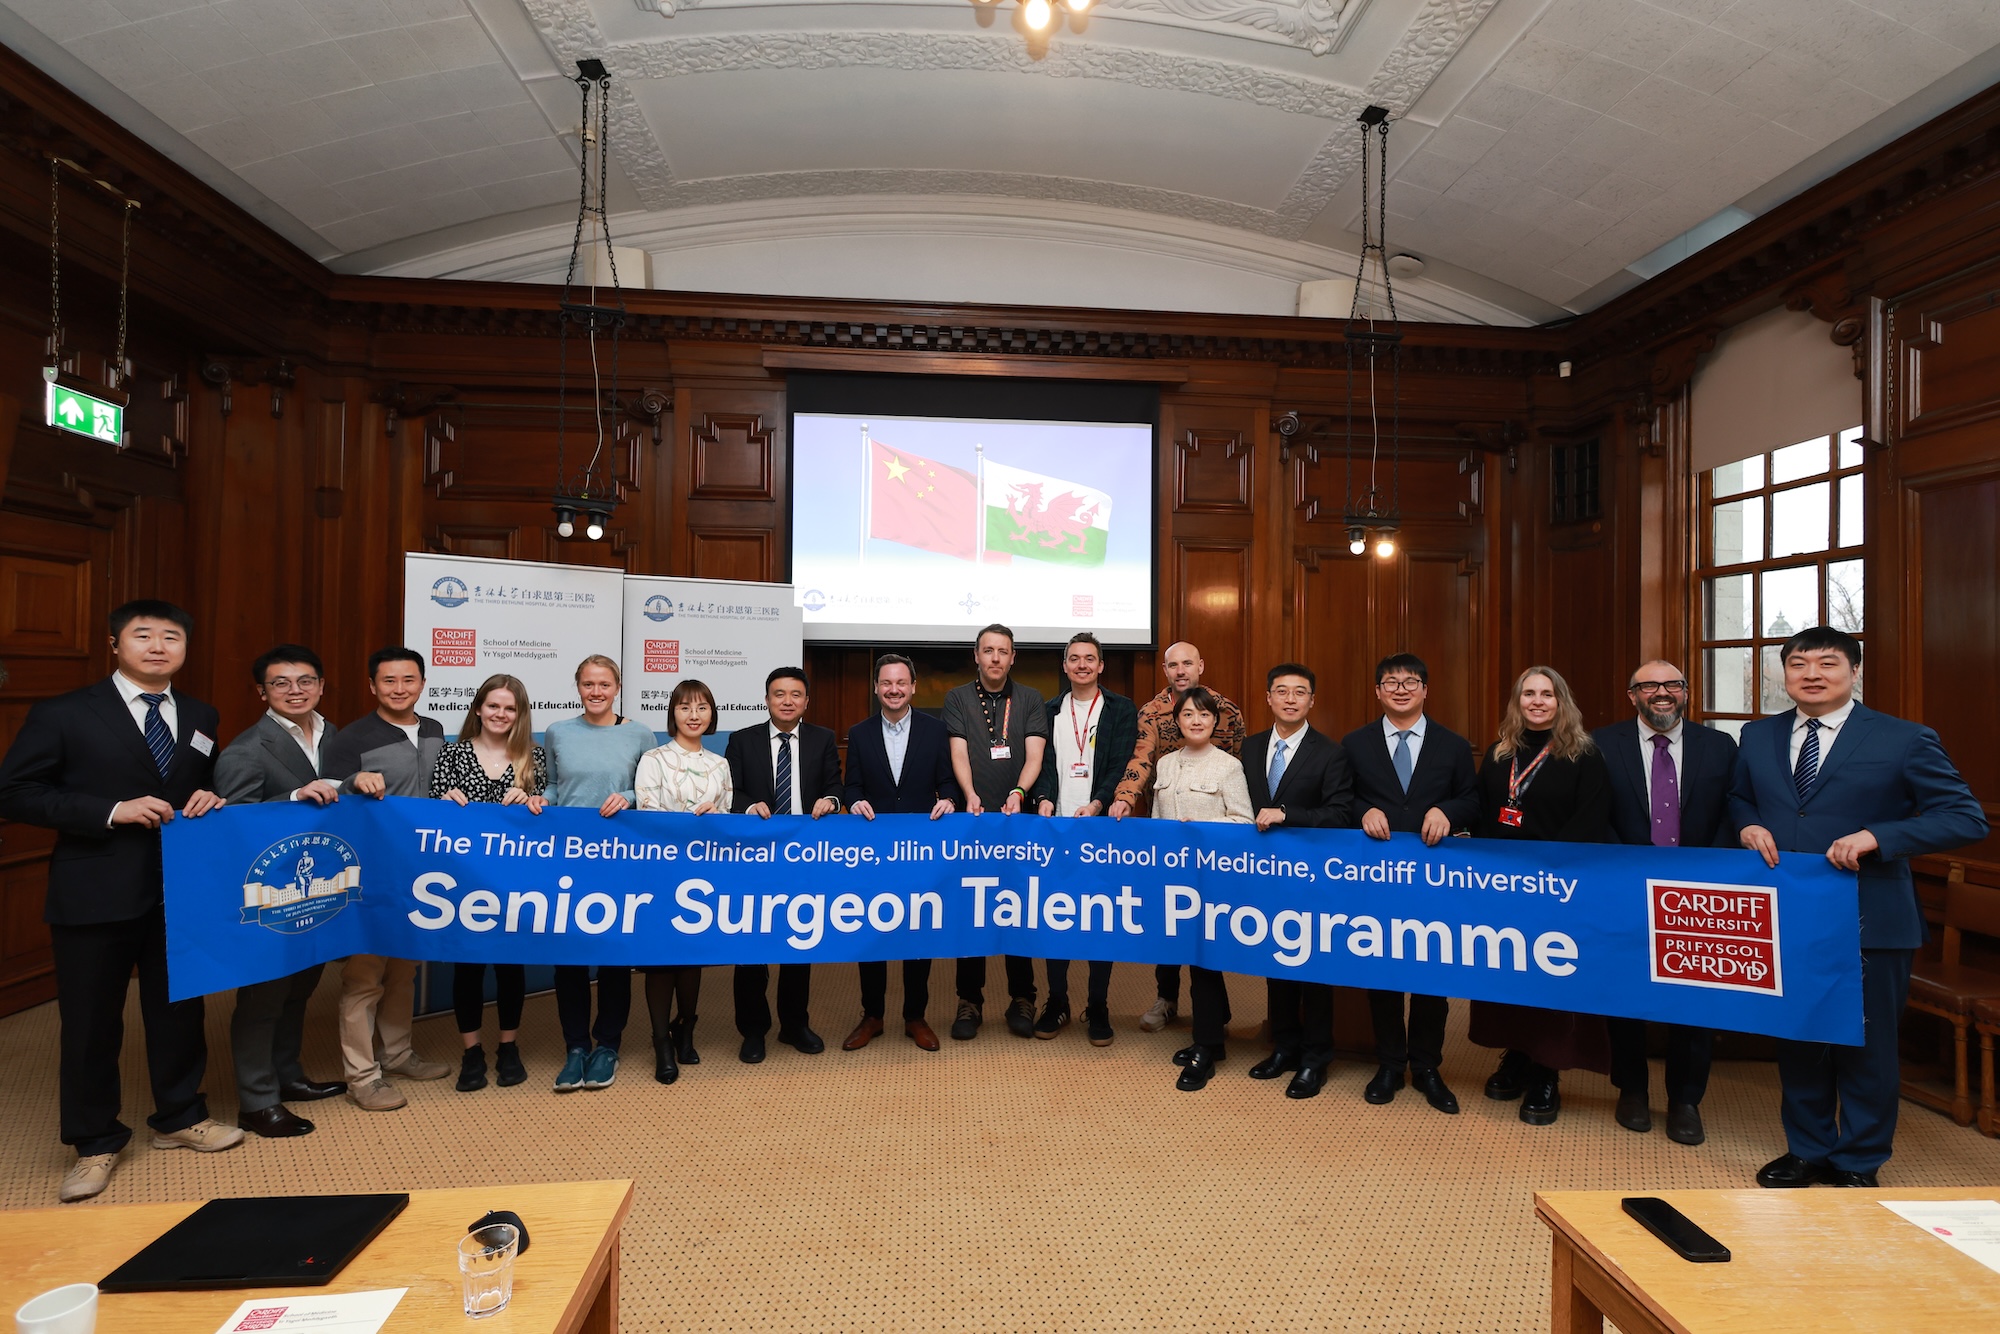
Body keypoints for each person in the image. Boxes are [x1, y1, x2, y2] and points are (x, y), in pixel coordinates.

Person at [0, 599, 241, 1203]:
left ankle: (181, 1117)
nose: (158, 646)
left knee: (180, 1010)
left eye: (171, 637)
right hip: (94, 888)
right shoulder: (65, 713)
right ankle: (94, 1142)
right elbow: (16, 792)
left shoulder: (202, 713)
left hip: (178, 889)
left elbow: (191, 785)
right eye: (143, 636)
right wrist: (110, 811)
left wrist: (208, 796)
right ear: (115, 645)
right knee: (89, 1023)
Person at [1732, 627, 1987, 1189]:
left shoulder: (1904, 738)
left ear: (1854, 672)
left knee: (1867, 1045)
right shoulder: (1756, 737)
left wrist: (1878, 835)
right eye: (1798, 664)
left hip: (1872, 917)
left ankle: (1859, 1160)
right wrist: (1747, 824)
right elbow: (1740, 796)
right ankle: (1807, 1150)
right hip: (1788, 916)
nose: (1812, 674)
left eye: (1828, 663)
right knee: (1800, 1037)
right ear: (1784, 673)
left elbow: (1966, 817)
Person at [1593, 659, 1739, 1146]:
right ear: (1631, 694)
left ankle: (1685, 1099)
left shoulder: (1719, 746)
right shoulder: (1599, 745)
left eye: (1671, 684)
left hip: (1698, 895)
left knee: (1693, 1000)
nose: (1662, 692)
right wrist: (1624, 869)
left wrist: (1708, 870)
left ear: (1685, 692)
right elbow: (1595, 815)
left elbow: (1731, 812)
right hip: (1623, 888)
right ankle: (1631, 1088)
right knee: (1625, 993)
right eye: (1649, 685)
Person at [212, 644, 350, 1138]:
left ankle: (288, 1076)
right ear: (262, 691)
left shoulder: (335, 735)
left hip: (318, 892)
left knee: (299, 990)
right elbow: (234, 826)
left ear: (321, 685)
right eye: (281, 683)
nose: (296, 691)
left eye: (305, 681)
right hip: (271, 896)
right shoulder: (246, 749)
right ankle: (257, 1100)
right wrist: (292, 797)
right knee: (263, 998)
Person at [1468, 665, 1613, 1126]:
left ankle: (1547, 1071)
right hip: (1505, 891)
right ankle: (1516, 1055)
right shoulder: (1498, 753)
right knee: (1509, 976)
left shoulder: (1584, 754)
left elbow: (1591, 822)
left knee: (1550, 981)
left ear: (1560, 701)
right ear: (1517, 702)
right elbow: (1485, 815)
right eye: (1528, 694)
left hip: (1558, 890)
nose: (1537, 701)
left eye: (1546, 694)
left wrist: (1545, 872)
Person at [1341, 653, 1479, 1115]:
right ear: (1378, 692)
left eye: (1411, 682)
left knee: (1429, 976)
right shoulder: (1355, 743)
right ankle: (1388, 1063)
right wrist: (1363, 810)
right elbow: (1342, 797)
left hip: (1433, 878)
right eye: (1391, 682)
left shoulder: (1454, 745)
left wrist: (1448, 812)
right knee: (1381, 973)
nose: (1401, 689)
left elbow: (1471, 798)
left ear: (1425, 690)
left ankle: (1426, 1067)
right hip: (1375, 876)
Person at [320, 647, 454, 1111]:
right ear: (372, 686)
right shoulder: (350, 738)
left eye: (409, 680)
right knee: (364, 976)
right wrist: (352, 780)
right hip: (371, 870)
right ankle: (362, 1077)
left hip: (422, 871)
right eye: (389, 681)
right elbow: (323, 796)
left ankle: (397, 1055)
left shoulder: (435, 730)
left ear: (422, 683)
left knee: (404, 970)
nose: (400, 689)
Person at [1109, 641, 1245, 1033]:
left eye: (1188, 663)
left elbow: (1239, 762)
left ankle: (1215, 1010)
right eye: (1173, 665)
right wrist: (1123, 797)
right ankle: (1166, 998)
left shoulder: (1228, 711)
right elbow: (1141, 759)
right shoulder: (1152, 712)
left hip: (1215, 841)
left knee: (1212, 929)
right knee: (1167, 923)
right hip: (1168, 827)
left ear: (1200, 665)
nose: (1181, 670)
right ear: (1165, 670)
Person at [430, 673, 548, 1093]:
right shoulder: (452, 755)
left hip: (514, 882)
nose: (501, 714)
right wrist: (443, 804)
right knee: (469, 967)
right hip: (464, 882)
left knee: (510, 965)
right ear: (478, 708)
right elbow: (430, 819)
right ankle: (472, 1051)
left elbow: (546, 813)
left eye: (510, 708)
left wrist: (536, 801)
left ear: (520, 715)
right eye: (493, 705)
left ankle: (508, 1047)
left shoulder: (534, 757)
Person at [544, 655, 655, 1094]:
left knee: (613, 955)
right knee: (568, 958)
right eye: (588, 684)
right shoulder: (558, 732)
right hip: (568, 858)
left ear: (618, 686)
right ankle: (575, 1047)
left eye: (604, 684)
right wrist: (540, 801)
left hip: (620, 857)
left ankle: (607, 1044)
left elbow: (649, 788)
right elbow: (554, 787)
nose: (596, 691)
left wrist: (627, 795)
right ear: (578, 687)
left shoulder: (640, 733)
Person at [1240, 663, 1352, 1098]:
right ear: (1268, 698)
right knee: (1275, 966)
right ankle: (1284, 1047)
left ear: (1311, 701)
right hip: (1263, 878)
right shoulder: (1248, 749)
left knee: (1313, 970)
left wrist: (1289, 816)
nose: (1290, 699)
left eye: (1299, 692)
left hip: (1312, 877)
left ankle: (1315, 1058)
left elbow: (1341, 815)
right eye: (1281, 691)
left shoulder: (1330, 752)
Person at [842, 653, 960, 1052]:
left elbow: (948, 782)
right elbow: (851, 787)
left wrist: (949, 800)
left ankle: (915, 1016)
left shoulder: (935, 730)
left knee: (916, 935)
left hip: (919, 853)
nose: (894, 690)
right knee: (872, 934)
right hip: (873, 853)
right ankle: (872, 1015)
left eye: (901, 683)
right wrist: (854, 802)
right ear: (877, 688)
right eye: (886, 683)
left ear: (912, 687)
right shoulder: (858, 733)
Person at [725, 666, 842, 1063]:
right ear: (767, 699)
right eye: (779, 694)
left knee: (798, 941)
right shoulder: (742, 741)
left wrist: (833, 801)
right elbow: (731, 791)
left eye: (796, 694)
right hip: (754, 859)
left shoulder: (823, 739)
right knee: (751, 947)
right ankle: (754, 1029)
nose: (788, 701)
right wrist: (745, 805)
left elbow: (835, 786)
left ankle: (794, 1024)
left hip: (802, 859)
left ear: (806, 701)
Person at [942, 624, 1051, 1040]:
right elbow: (958, 752)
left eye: (1002, 651)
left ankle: (1023, 997)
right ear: (976, 655)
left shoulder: (1030, 699)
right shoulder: (956, 697)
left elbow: (1035, 753)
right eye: (987, 650)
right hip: (974, 821)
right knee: (972, 910)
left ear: (1012, 657)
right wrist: (969, 795)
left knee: (1017, 908)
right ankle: (969, 1001)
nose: (994, 658)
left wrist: (1019, 792)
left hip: (1015, 820)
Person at [1031, 632, 1139, 1046]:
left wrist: (1097, 802)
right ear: (1064, 666)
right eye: (1074, 659)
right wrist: (1042, 798)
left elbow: (1120, 762)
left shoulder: (1120, 709)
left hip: (1101, 829)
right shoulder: (1049, 710)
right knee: (1056, 917)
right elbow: (1040, 763)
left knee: (1099, 919)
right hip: (1056, 830)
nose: (1081, 665)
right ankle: (1057, 1000)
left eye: (1089, 659)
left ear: (1101, 666)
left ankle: (1098, 1005)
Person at [1151, 686, 1254, 1091]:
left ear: (1215, 722)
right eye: (1188, 714)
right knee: (1188, 956)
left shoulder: (1228, 767)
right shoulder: (1164, 765)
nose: (1196, 721)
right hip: (1174, 880)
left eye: (1204, 715)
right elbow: (1159, 821)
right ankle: (1216, 1031)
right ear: (1177, 721)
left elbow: (1244, 822)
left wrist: (1205, 830)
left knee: (1204, 960)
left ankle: (1206, 1047)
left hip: (1212, 881)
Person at [634, 677, 733, 1083]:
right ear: (672, 713)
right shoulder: (653, 758)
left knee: (692, 957)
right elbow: (646, 813)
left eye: (702, 707)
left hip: (703, 876)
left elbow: (728, 821)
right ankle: (661, 1041)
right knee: (662, 959)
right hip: (661, 872)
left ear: (712, 715)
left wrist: (717, 820)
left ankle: (685, 1029)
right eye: (685, 707)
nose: (694, 715)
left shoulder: (720, 764)